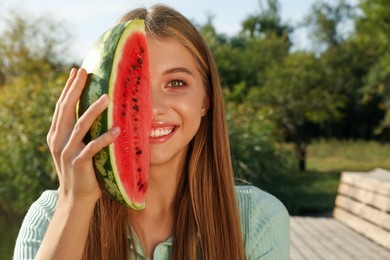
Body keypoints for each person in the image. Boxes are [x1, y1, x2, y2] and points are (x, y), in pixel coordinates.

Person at [13, 4, 290, 260]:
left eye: (176, 82)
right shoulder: (51, 215)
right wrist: (75, 202)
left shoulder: (259, 218)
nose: (152, 108)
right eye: (134, 87)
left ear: (206, 100)